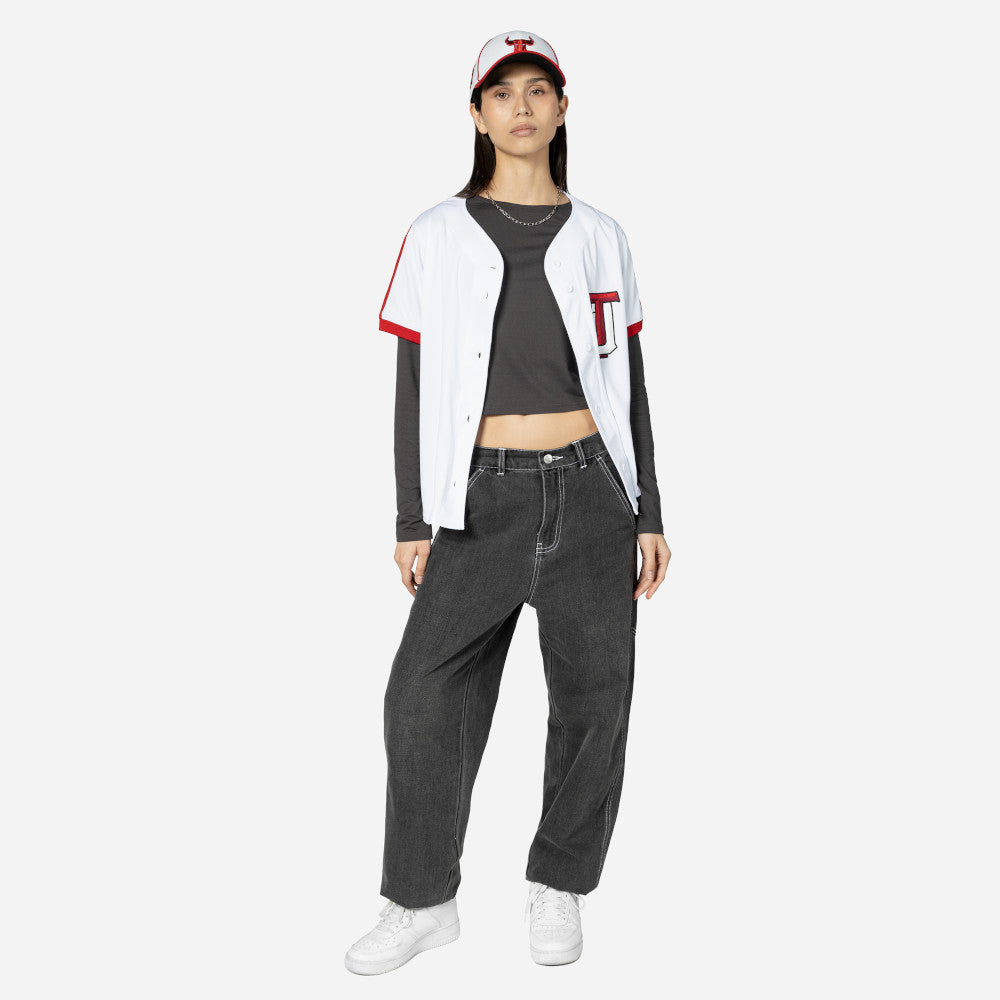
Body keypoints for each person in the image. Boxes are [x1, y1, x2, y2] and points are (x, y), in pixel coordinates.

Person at [345, 29, 671, 976]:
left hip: (594, 492)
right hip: (478, 498)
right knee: (421, 695)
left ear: (562, 110)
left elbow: (629, 384)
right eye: (502, 93)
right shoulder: (436, 233)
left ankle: (559, 882)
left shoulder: (603, 235)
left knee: (595, 699)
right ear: (478, 114)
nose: (521, 107)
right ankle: (421, 899)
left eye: (538, 91)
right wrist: (412, 517)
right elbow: (412, 383)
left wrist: (650, 509)